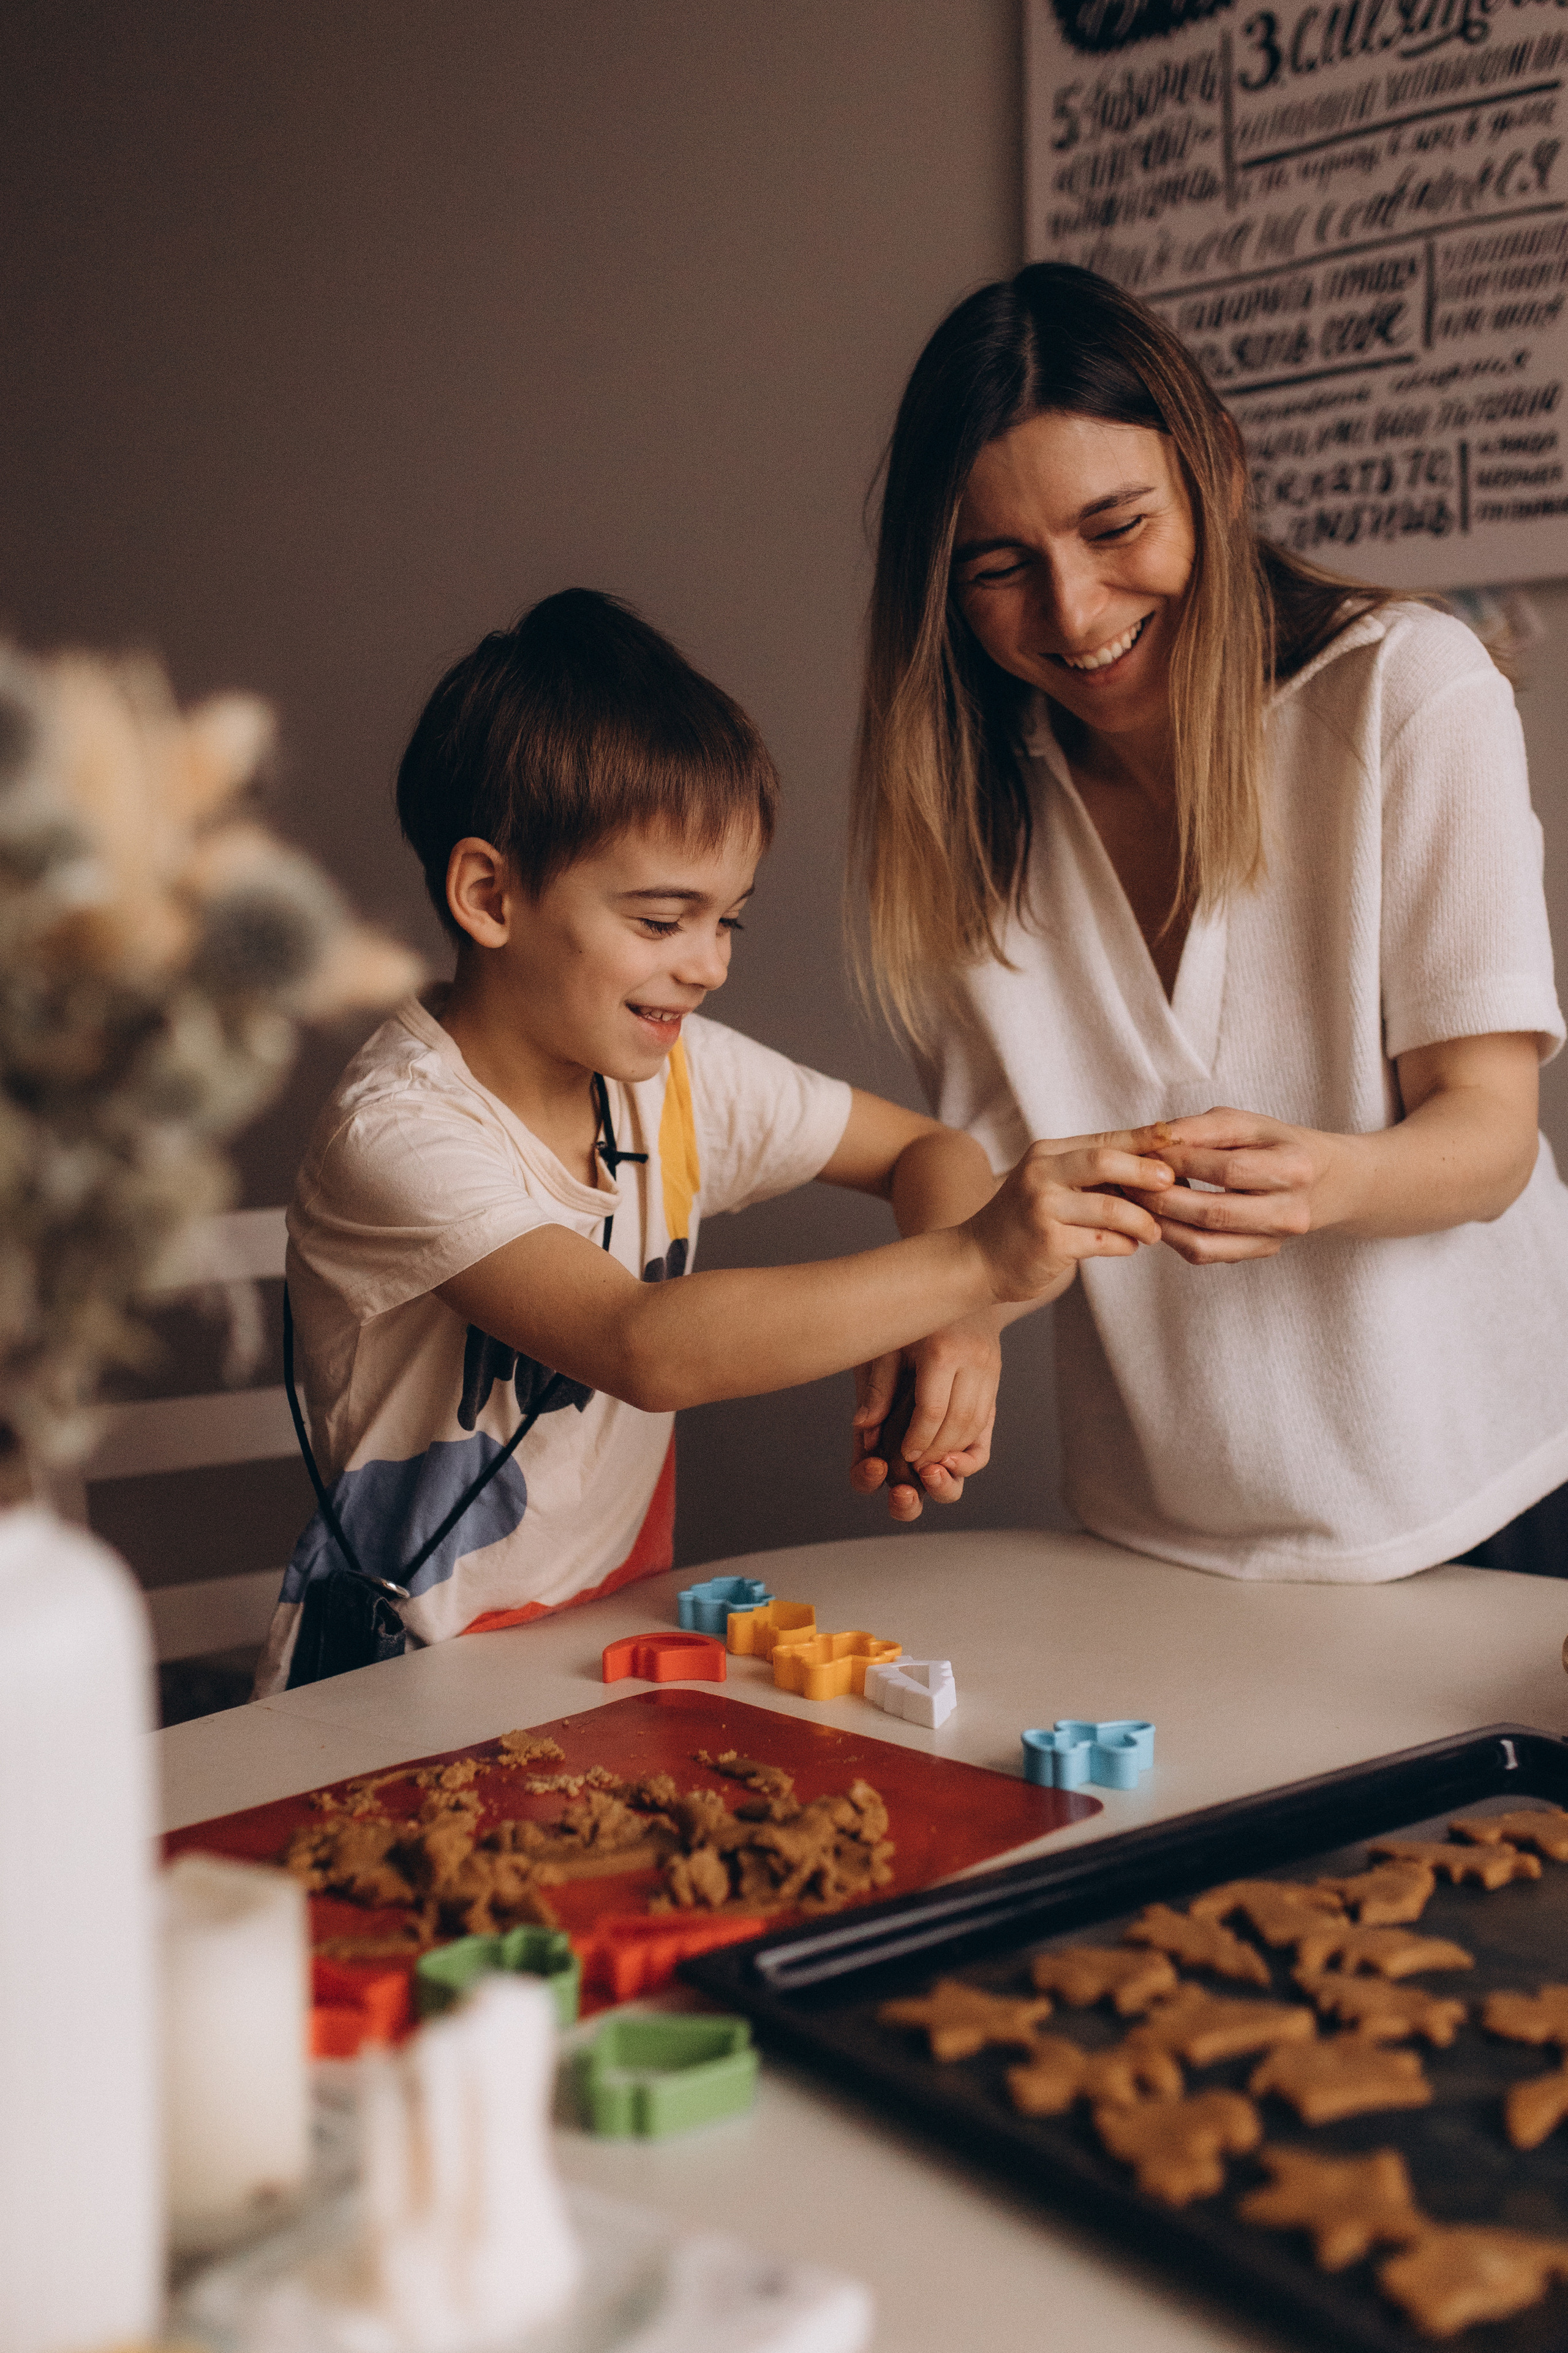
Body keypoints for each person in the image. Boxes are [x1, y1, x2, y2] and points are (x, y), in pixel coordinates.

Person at [254, 588, 1178, 1693]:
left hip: (604, 1668)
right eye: (660, 921)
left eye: (725, 919)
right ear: (490, 894)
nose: (710, 964)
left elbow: (927, 1153)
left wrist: (963, 1321)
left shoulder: (677, 1075)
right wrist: (975, 1258)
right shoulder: (397, 1132)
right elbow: (645, 1346)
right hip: (391, 1687)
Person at [850, 260, 1568, 1584]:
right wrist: (957, 1308)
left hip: (1498, 1492)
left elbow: (1486, 1142)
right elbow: (987, 1172)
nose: (1073, 614)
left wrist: (1327, 1182)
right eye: (999, 568)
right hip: (1160, 1531)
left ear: (1216, 473)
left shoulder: (1409, 692)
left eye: (1114, 526)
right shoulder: (967, 810)